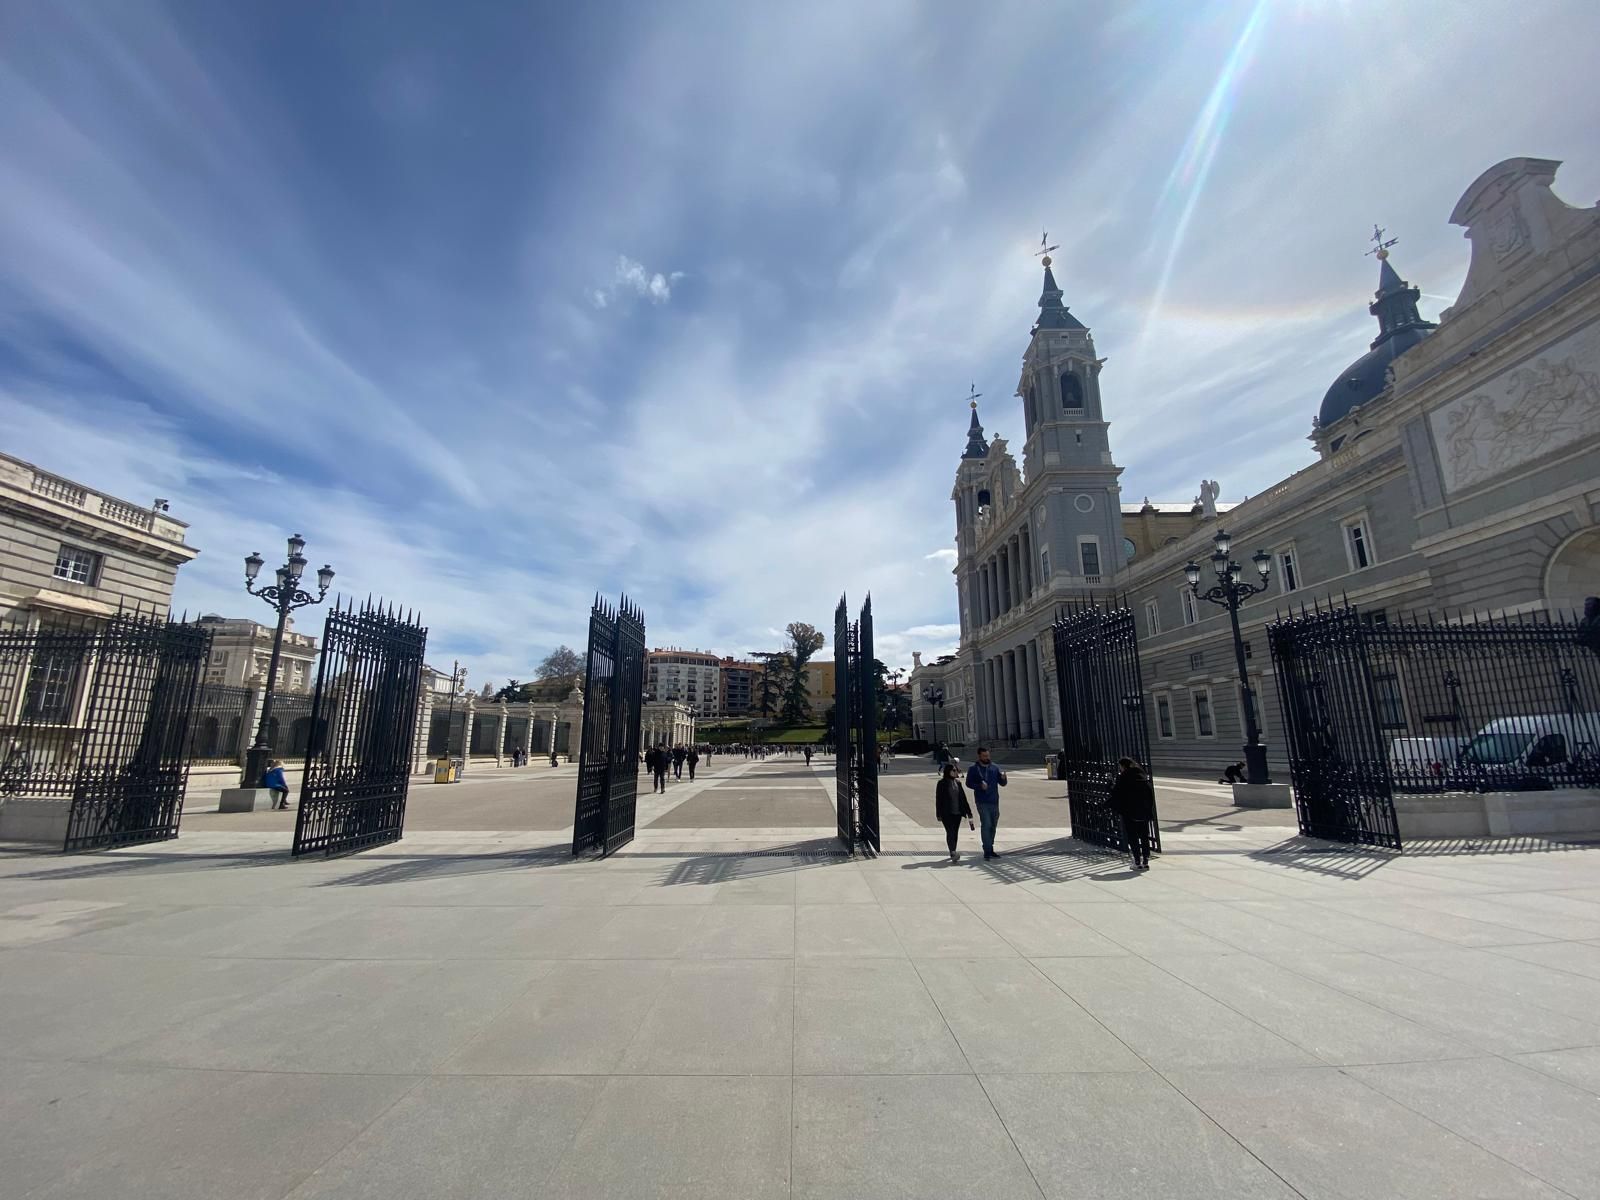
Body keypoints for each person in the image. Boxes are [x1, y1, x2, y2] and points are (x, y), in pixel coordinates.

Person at [1111, 756, 1156, 870]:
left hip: (1129, 811)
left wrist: (1109, 786)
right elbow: (1150, 795)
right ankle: (1145, 860)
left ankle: (1137, 861)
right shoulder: (1142, 776)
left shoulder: (1123, 778)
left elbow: (1116, 793)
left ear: (1123, 766)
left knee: (1132, 836)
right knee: (1144, 836)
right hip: (1144, 811)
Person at [965, 747, 1007, 859]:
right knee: (986, 824)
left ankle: (990, 847)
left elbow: (1002, 783)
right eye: (984, 756)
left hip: (994, 801)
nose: (987, 758)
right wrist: (979, 786)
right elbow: (968, 783)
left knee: (993, 825)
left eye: (988, 755)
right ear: (979, 756)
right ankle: (987, 850)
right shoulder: (973, 769)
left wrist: (1004, 778)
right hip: (982, 801)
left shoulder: (994, 767)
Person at [934, 760, 974, 863]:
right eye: (954, 770)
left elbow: (963, 798)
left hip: (958, 812)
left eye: (956, 770)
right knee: (950, 832)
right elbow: (939, 799)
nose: (956, 772)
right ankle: (952, 852)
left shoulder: (958, 783)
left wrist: (969, 812)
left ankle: (953, 850)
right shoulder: (941, 783)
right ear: (948, 771)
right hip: (946, 813)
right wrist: (938, 814)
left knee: (955, 833)